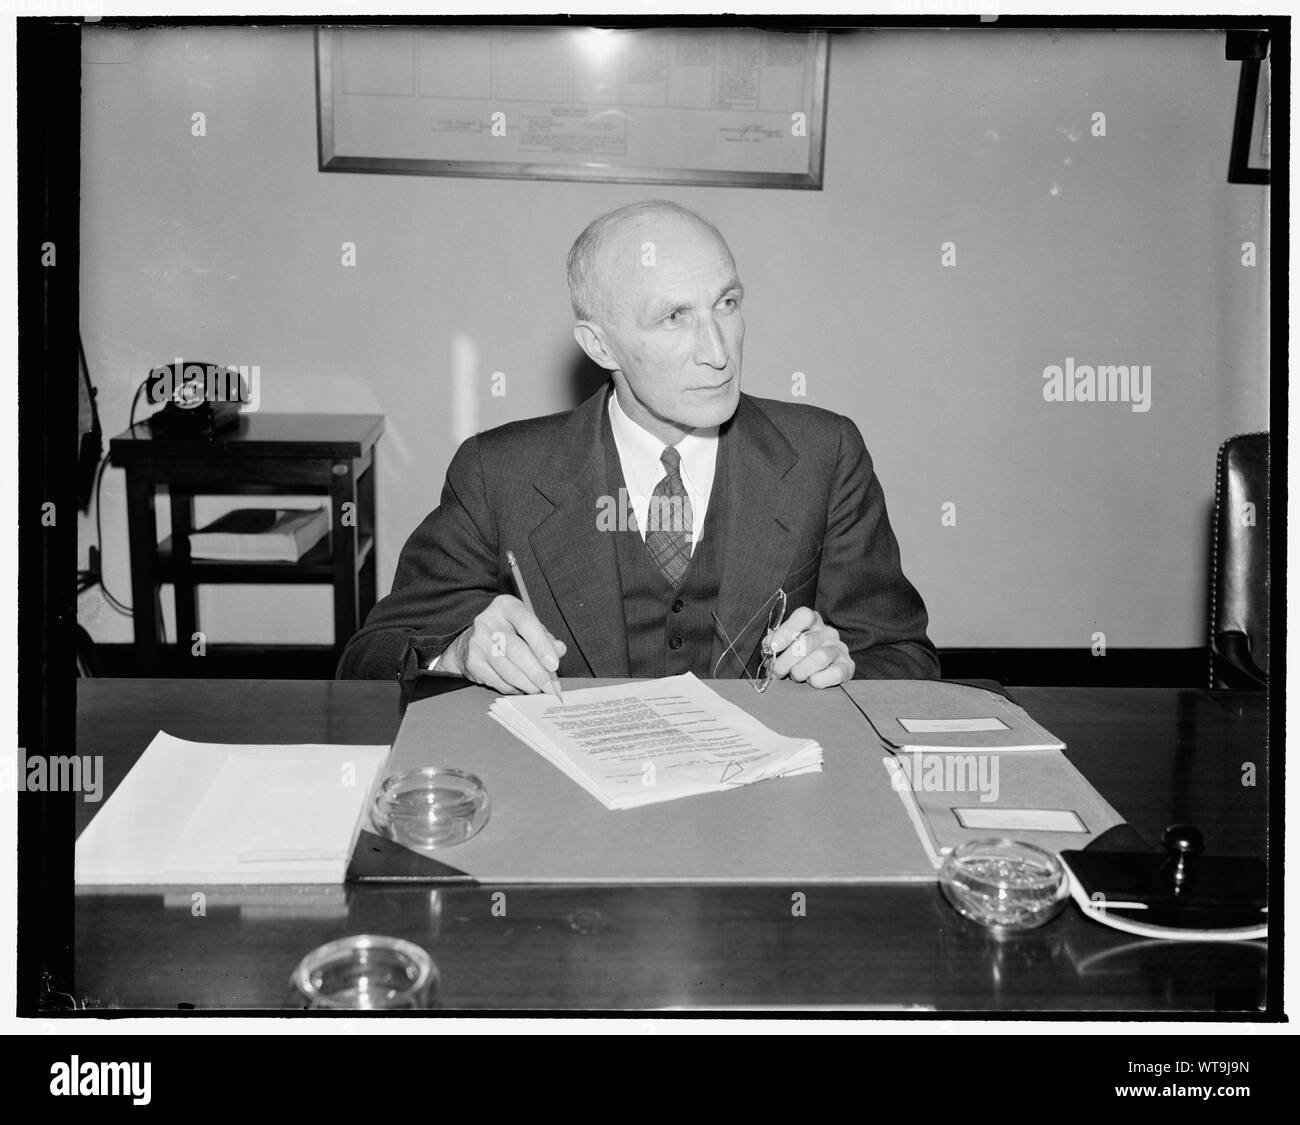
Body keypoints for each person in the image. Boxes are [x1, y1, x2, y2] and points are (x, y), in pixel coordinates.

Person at [338, 200, 939, 692]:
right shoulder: (499, 473)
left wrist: (845, 667)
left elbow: (905, 657)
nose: (718, 350)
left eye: (726, 304)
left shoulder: (824, 454)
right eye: (674, 317)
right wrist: (460, 652)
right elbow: (369, 659)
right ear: (601, 347)